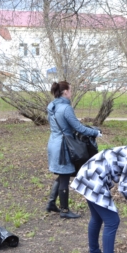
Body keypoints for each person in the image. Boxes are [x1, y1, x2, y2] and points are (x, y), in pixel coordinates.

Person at [46, 80, 101, 219]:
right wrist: (95, 133)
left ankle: (51, 203)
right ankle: (64, 211)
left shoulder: (51, 106)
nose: (71, 92)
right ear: (65, 92)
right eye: (70, 90)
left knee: (61, 173)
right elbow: (78, 127)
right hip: (63, 146)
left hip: (53, 142)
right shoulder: (66, 108)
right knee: (64, 175)